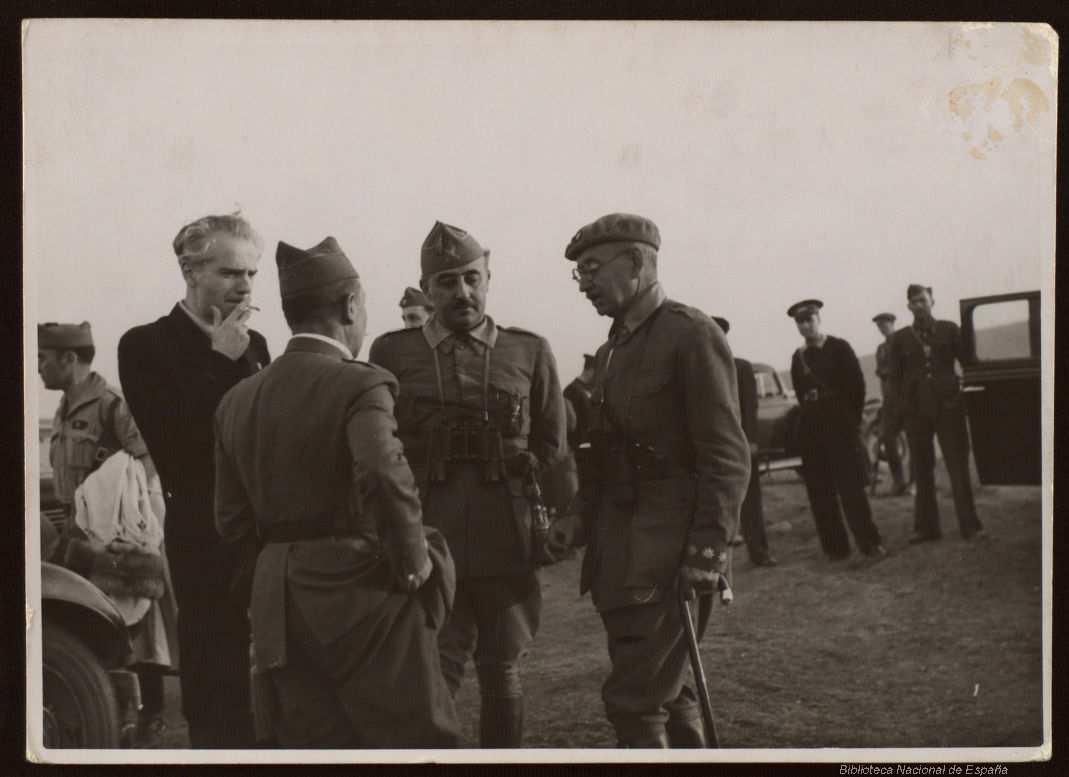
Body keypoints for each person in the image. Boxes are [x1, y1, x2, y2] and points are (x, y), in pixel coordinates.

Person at [213, 236, 460, 747]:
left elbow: (232, 520)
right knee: (418, 741)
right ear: (351, 305)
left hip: (277, 599)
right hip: (360, 593)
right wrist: (414, 564)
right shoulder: (360, 384)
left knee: (313, 748)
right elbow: (384, 477)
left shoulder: (235, 400)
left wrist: (268, 580)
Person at [369, 220, 568, 748]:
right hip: (431, 535)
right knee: (436, 668)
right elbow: (378, 444)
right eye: (448, 282)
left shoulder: (528, 351)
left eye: (472, 278)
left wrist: (546, 517)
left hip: (506, 533)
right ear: (427, 288)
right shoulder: (392, 353)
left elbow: (553, 445)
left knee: (501, 667)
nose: (463, 292)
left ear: (488, 276)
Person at [562, 212, 750, 748]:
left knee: (636, 700)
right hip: (619, 553)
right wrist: (577, 515)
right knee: (669, 690)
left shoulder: (689, 334)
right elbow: (602, 454)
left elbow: (727, 455)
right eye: (579, 274)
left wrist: (708, 552)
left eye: (593, 268)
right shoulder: (611, 350)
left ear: (639, 263)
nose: (585, 284)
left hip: (668, 554)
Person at [118, 212, 271, 747]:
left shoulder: (259, 347)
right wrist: (221, 362)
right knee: (214, 679)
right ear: (190, 270)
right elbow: (179, 451)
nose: (245, 285)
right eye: (231, 273)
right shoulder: (144, 345)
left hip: (265, 536)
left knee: (271, 683)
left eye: (251, 274)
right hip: (201, 536)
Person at [38, 321, 175, 747]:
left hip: (112, 532)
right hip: (75, 530)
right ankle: (109, 703)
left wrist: (139, 530)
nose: (38, 368)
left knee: (138, 625)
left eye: (43, 359)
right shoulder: (64, 407)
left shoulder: (111, 404)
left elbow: (149, 462)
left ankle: (153, 716)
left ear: (69, 359)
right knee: (89, 618)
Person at [787, 300, 887, 561]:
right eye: (800, 322)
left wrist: (850, 422)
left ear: (819, 318)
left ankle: (869, 543)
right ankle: (835, 548)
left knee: (851, 489)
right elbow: (800, 394)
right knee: (820, 492)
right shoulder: (798, 358)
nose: (805, 326)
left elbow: (857, 387)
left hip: (840, 428)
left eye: (809, 319)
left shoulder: (839, 348)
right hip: (813, 431)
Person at [888, 284, 984, 543]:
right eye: (914, 302)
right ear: (908, 306)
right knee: (921, 469)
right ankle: (927, 529)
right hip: (916, 412)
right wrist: (903, 410)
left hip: (948, 407)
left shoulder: (950, 329)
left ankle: (969, 525)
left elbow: (969, 364)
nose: (919, 305)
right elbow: (893, 379)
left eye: (923, 300)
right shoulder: (900, 339)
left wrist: (960, 394)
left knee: (957, 467)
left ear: (932, 301)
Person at [712, 317, 777, 567]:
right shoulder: (701, 370)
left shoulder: (741, 367)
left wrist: (751, 441)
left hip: (740, 445)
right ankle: (716, 559)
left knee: (751, 500)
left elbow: (751, 407)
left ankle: (759, 552)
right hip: (714, 447)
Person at [872, 312, 909, 496]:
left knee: (915, 441)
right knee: (888, 439)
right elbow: (883, 376)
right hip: (891, 402)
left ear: (893, 323)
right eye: (879, 326)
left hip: (909, 400)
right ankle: (899, 481)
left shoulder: (905, 341)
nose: (882, 328)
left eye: (885, 324)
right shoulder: (881, 349)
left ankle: (915, 483)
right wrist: (885, 402)